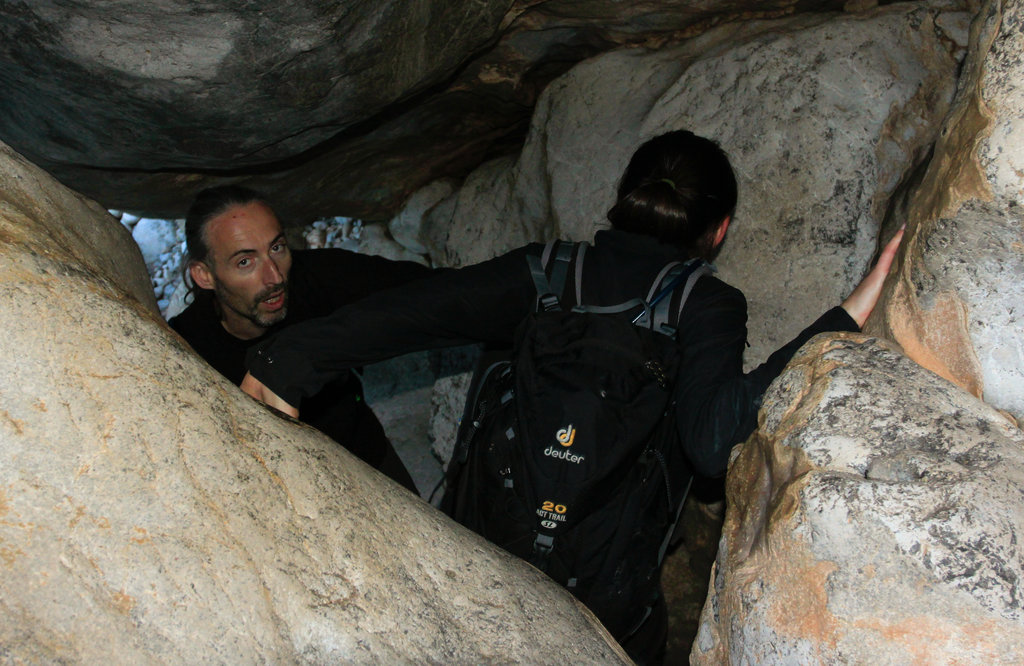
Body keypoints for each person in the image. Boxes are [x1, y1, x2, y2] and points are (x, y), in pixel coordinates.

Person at [237, 131, 903, 662]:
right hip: (604, 606)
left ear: (625, 198)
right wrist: (843, 320)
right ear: (719, 230)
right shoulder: (706, 304)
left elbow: (415, 312)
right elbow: (711, 441)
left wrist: (287, 361)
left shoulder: (548, 271)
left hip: (485, 562)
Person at [169, 185, 433, 495]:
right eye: (245, 262)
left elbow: (433, 294)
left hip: (368, 459)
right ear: (204, 275)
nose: (275, 277)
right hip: (282, 493)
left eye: (277, 248)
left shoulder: (318, 276)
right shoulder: (187, 350)